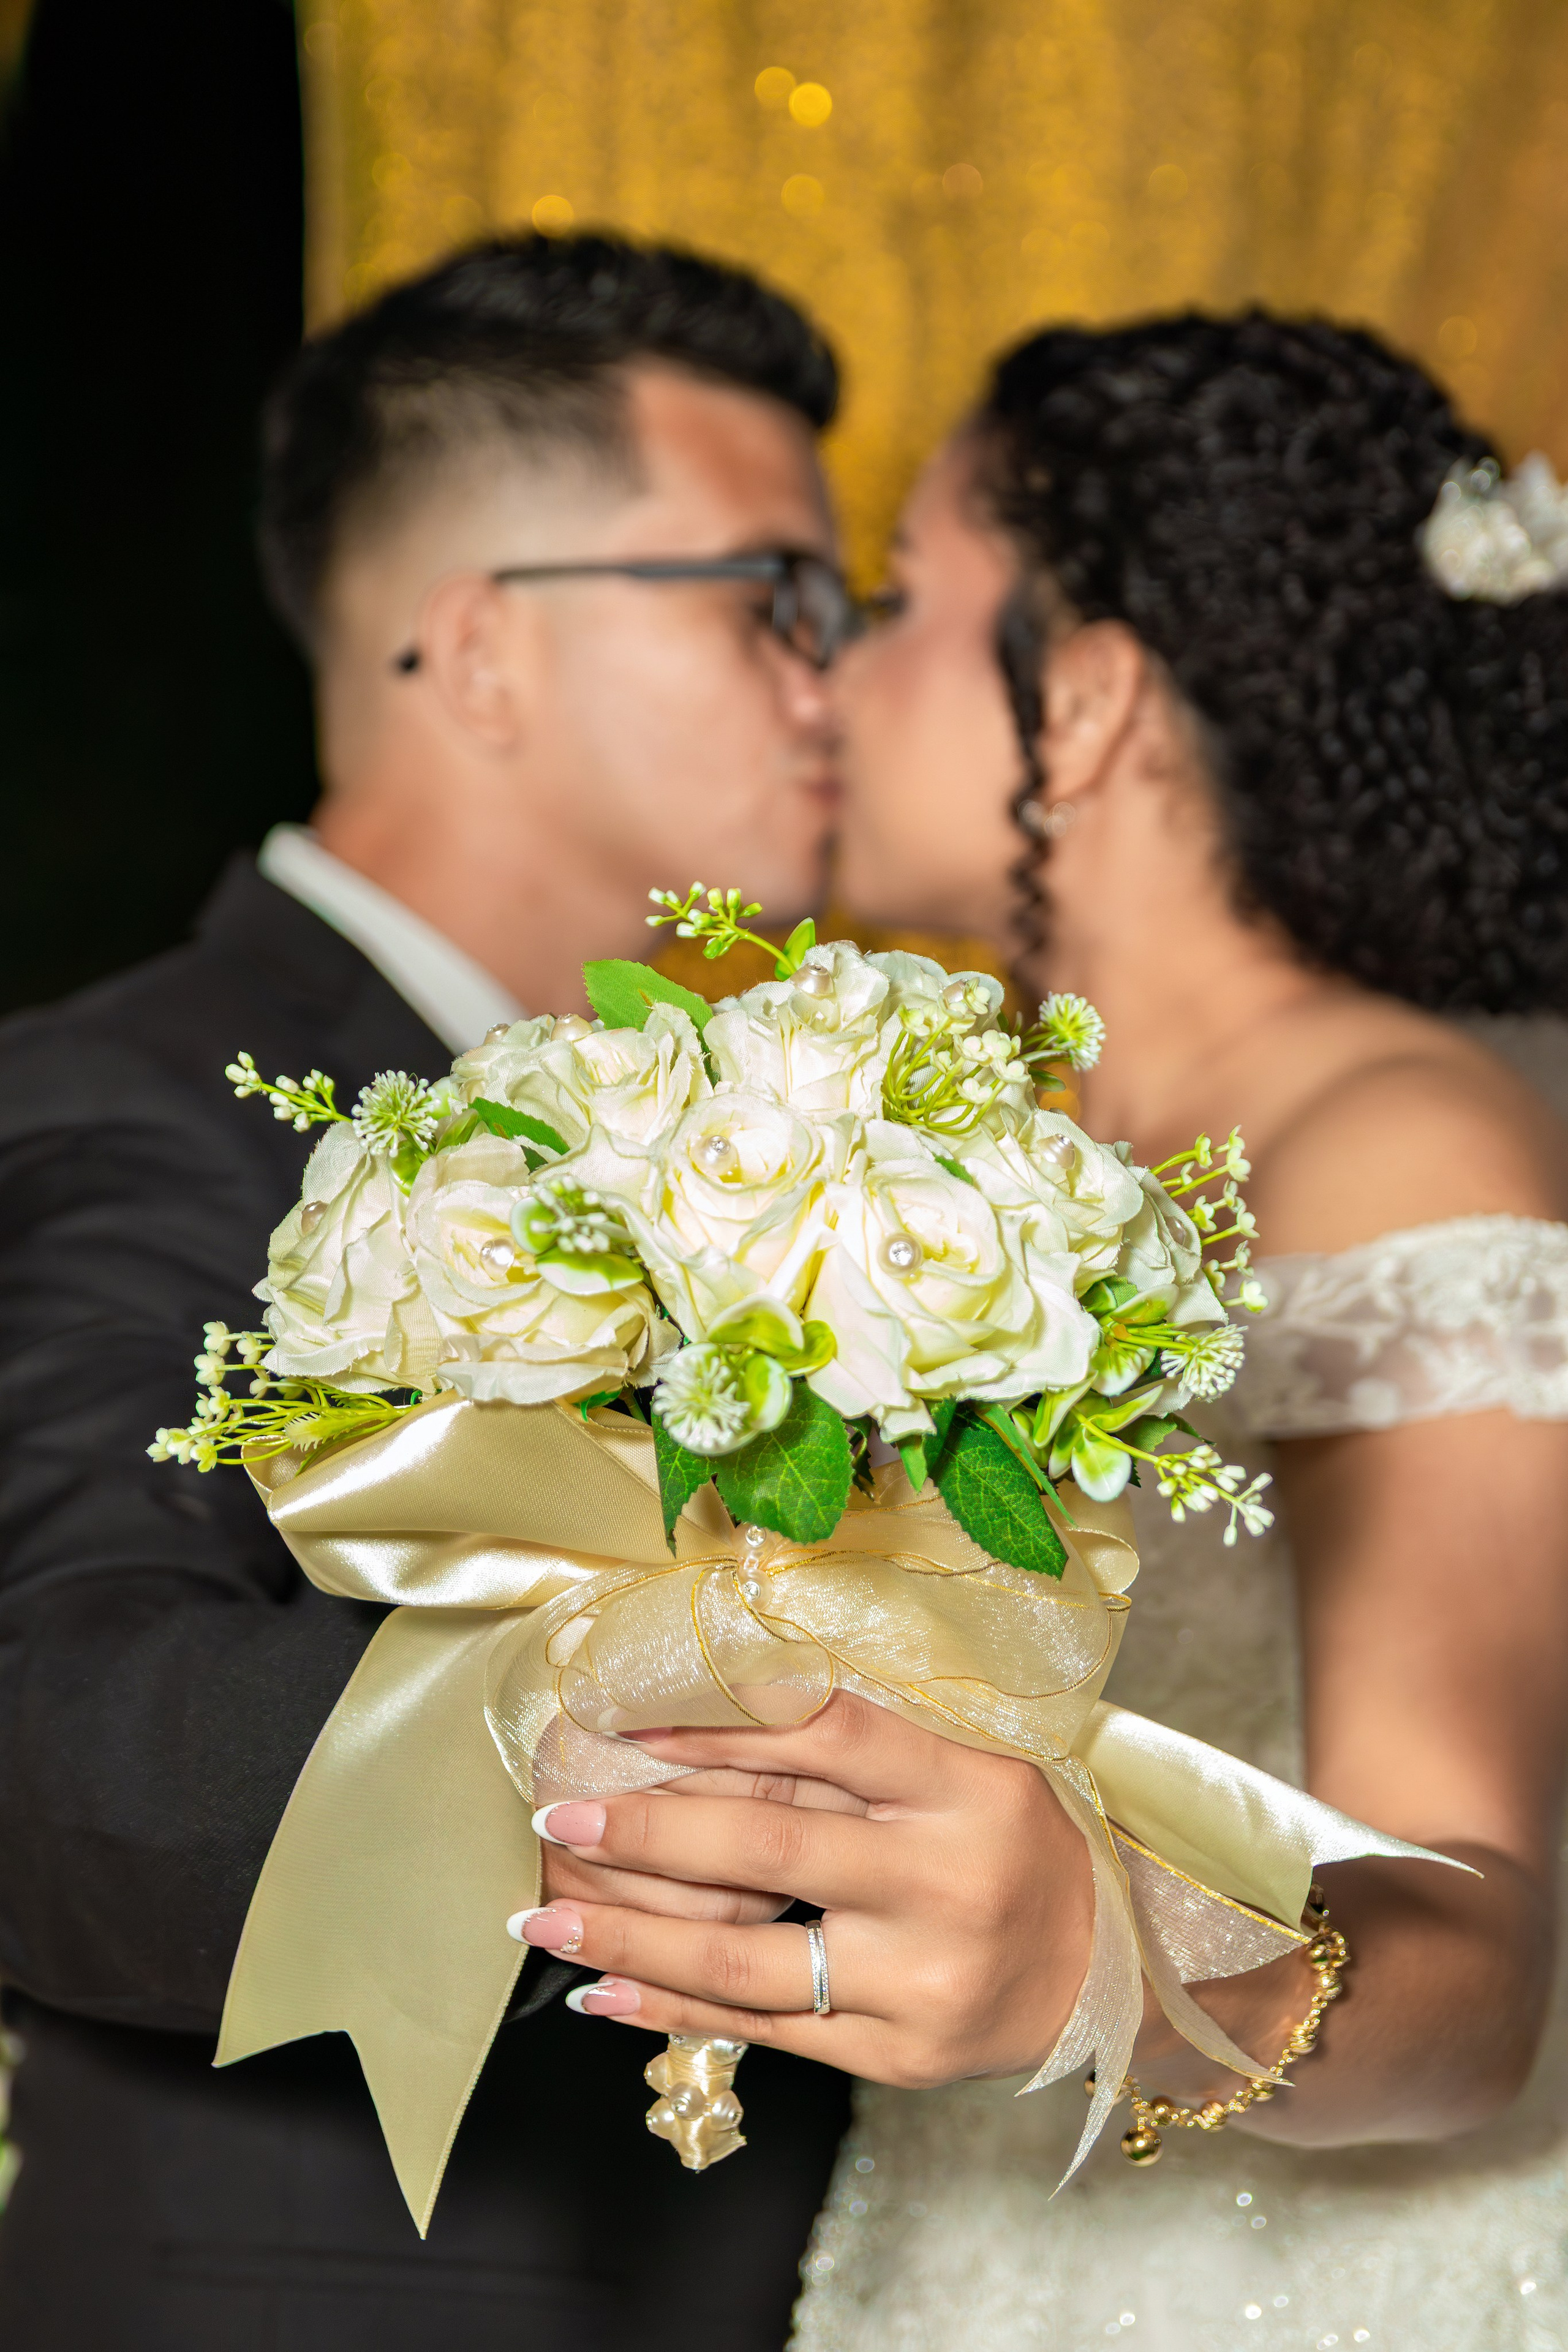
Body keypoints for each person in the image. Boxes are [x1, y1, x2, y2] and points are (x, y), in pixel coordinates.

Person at [511, 315, 1568, 2351]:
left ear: (1076, 702)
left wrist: (1121, 1956)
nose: (828, 668)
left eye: (901, 598)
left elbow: (1483, 1973)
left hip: (1305, 2279)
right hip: (955, 2229)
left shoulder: (1402, 1143)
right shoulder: (965, 1135)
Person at [0, 229, 858, 2351]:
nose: (831, 685)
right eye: (775, 603)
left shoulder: (768, 1125)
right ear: (480, 650)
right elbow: (51, 1730)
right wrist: (662, 1703)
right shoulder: (126, 1103)